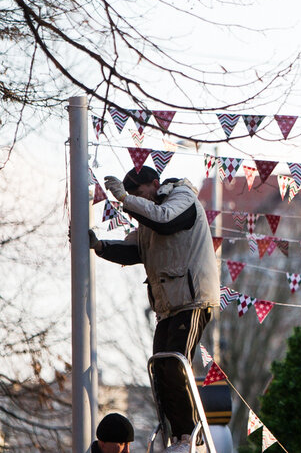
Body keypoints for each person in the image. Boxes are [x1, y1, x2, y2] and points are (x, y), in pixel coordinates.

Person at [92, 166, 219, 453]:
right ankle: (176, 434)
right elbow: (134, 250)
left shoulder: (182, 198)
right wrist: (99, 246)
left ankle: (190, 436)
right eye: (133, 196)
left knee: (176, 363)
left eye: (139, 193)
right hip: (168, 305)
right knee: (160, 369)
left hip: (192, 298)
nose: (138, 200)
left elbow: (166, 221)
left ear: (155, 183)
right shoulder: (148, 221)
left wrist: (125, 199)